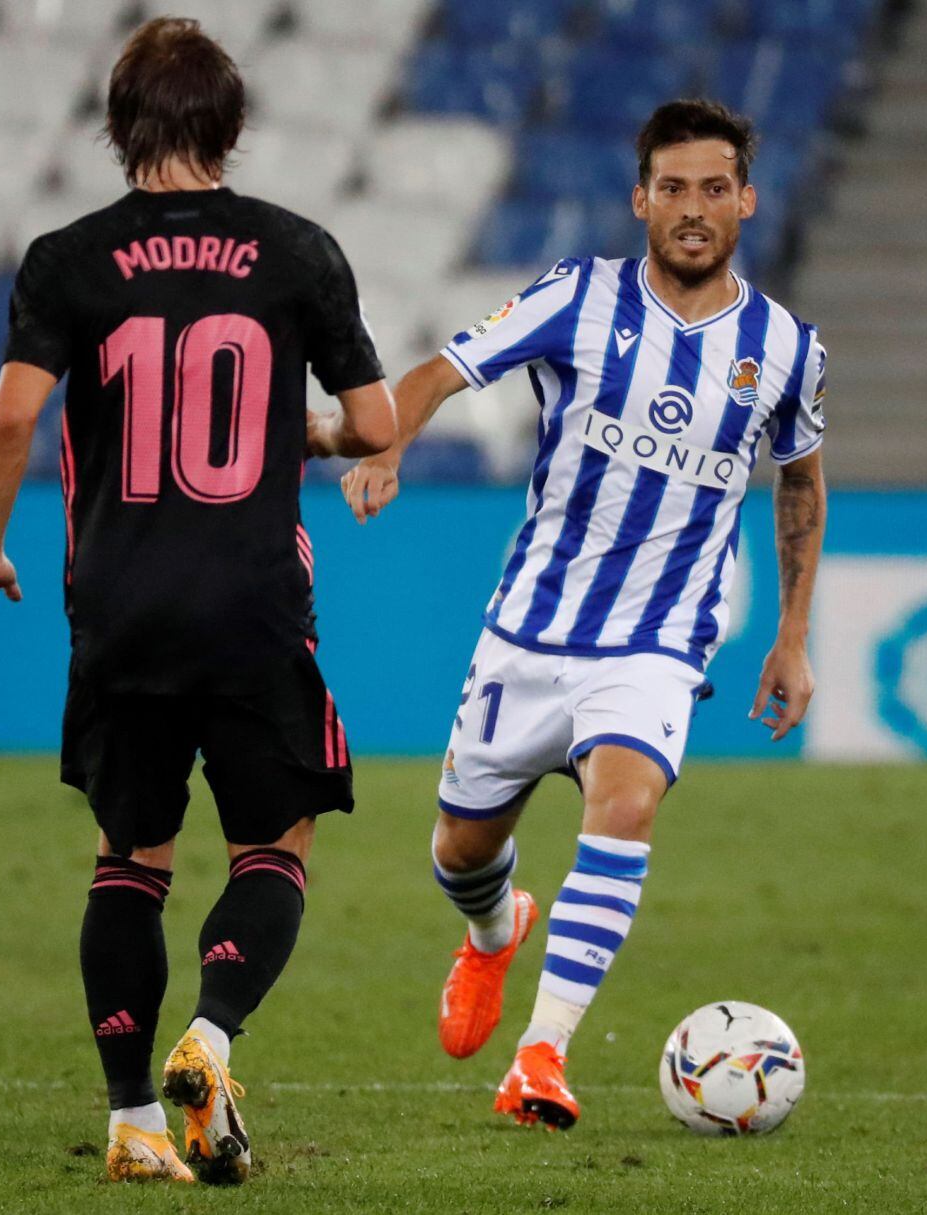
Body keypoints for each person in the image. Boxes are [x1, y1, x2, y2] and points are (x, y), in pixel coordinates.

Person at [0, 18, 395, 1184]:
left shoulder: (65, 260)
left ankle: (134, 1123)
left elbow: (6, 420)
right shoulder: (298, 252)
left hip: (121, 611)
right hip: (251, 608)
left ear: (117, 128)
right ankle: (214, 1031)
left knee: (129, 860)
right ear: (231, 129)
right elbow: (376, 426)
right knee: (274, 843)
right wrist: (324, 432)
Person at [341, 99, 826, 1131]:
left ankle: (541, 1057)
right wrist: (388, 444)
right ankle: (491, 935)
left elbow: (799, 483)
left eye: (714, 188)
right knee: (462, 850)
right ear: (639, 197)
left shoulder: (784, 346)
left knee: (628, 805)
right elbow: (438, 371)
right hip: (531, 630)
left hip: (656, 640)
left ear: (747, 198)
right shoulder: (579, 296)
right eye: (673, 188)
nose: (693, 209)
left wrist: (789, 637)